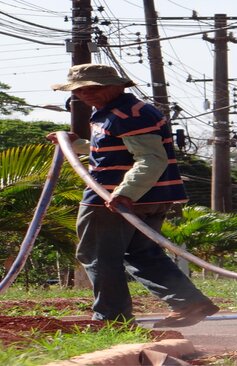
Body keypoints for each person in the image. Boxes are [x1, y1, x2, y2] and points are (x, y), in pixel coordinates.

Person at [46, 63, 218, 327]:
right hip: (148, 197)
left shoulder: (128, 114)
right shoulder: (115, 113)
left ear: (116, 86)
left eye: (95, 88)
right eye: (80, 90)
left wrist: (125, 193)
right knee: (141, 253)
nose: (87, 94)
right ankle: (187, 303)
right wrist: (75, 145)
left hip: (115, 198)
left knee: (98, 256)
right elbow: (112, 150)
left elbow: (150, 158)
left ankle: (112, 319)